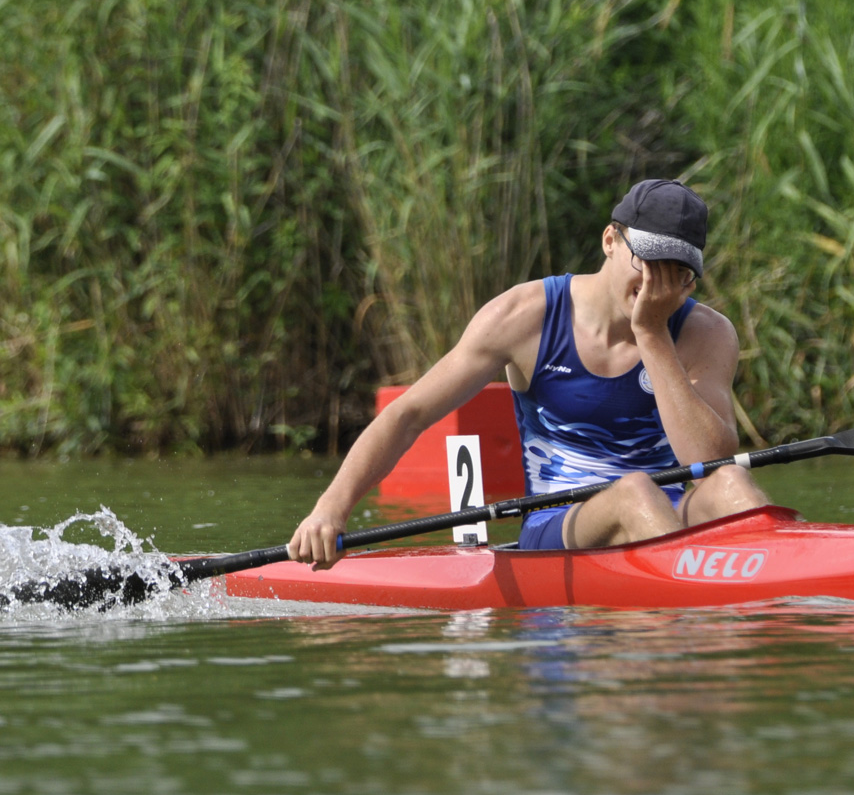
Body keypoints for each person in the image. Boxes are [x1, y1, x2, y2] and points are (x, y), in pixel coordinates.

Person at [287, 179, 770, 568]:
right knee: (634, 492)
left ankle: (772, 604)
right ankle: (697, 614)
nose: (657, 285)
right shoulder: (526, 316)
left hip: (669, 513)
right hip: (557, 524)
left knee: (733, 486)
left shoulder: (705, 333)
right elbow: (408, 414)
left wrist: (652, 335)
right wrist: (331, 509)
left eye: (678, 273)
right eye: (648, 261)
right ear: (609, 240)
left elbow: (710, 461)